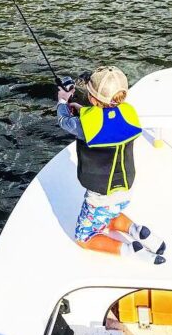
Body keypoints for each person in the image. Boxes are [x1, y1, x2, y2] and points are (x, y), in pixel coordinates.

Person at [57, 66, 166, 265]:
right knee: (109, 214)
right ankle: (138, 231)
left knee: (84, 237)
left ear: (92, 98)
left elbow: (64, 121)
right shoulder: (129, 113)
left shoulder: (86, 126)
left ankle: (130, 250)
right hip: (126, 188)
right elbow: (105, 118)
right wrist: (82, 110)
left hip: (100, 194)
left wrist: (63, 100)